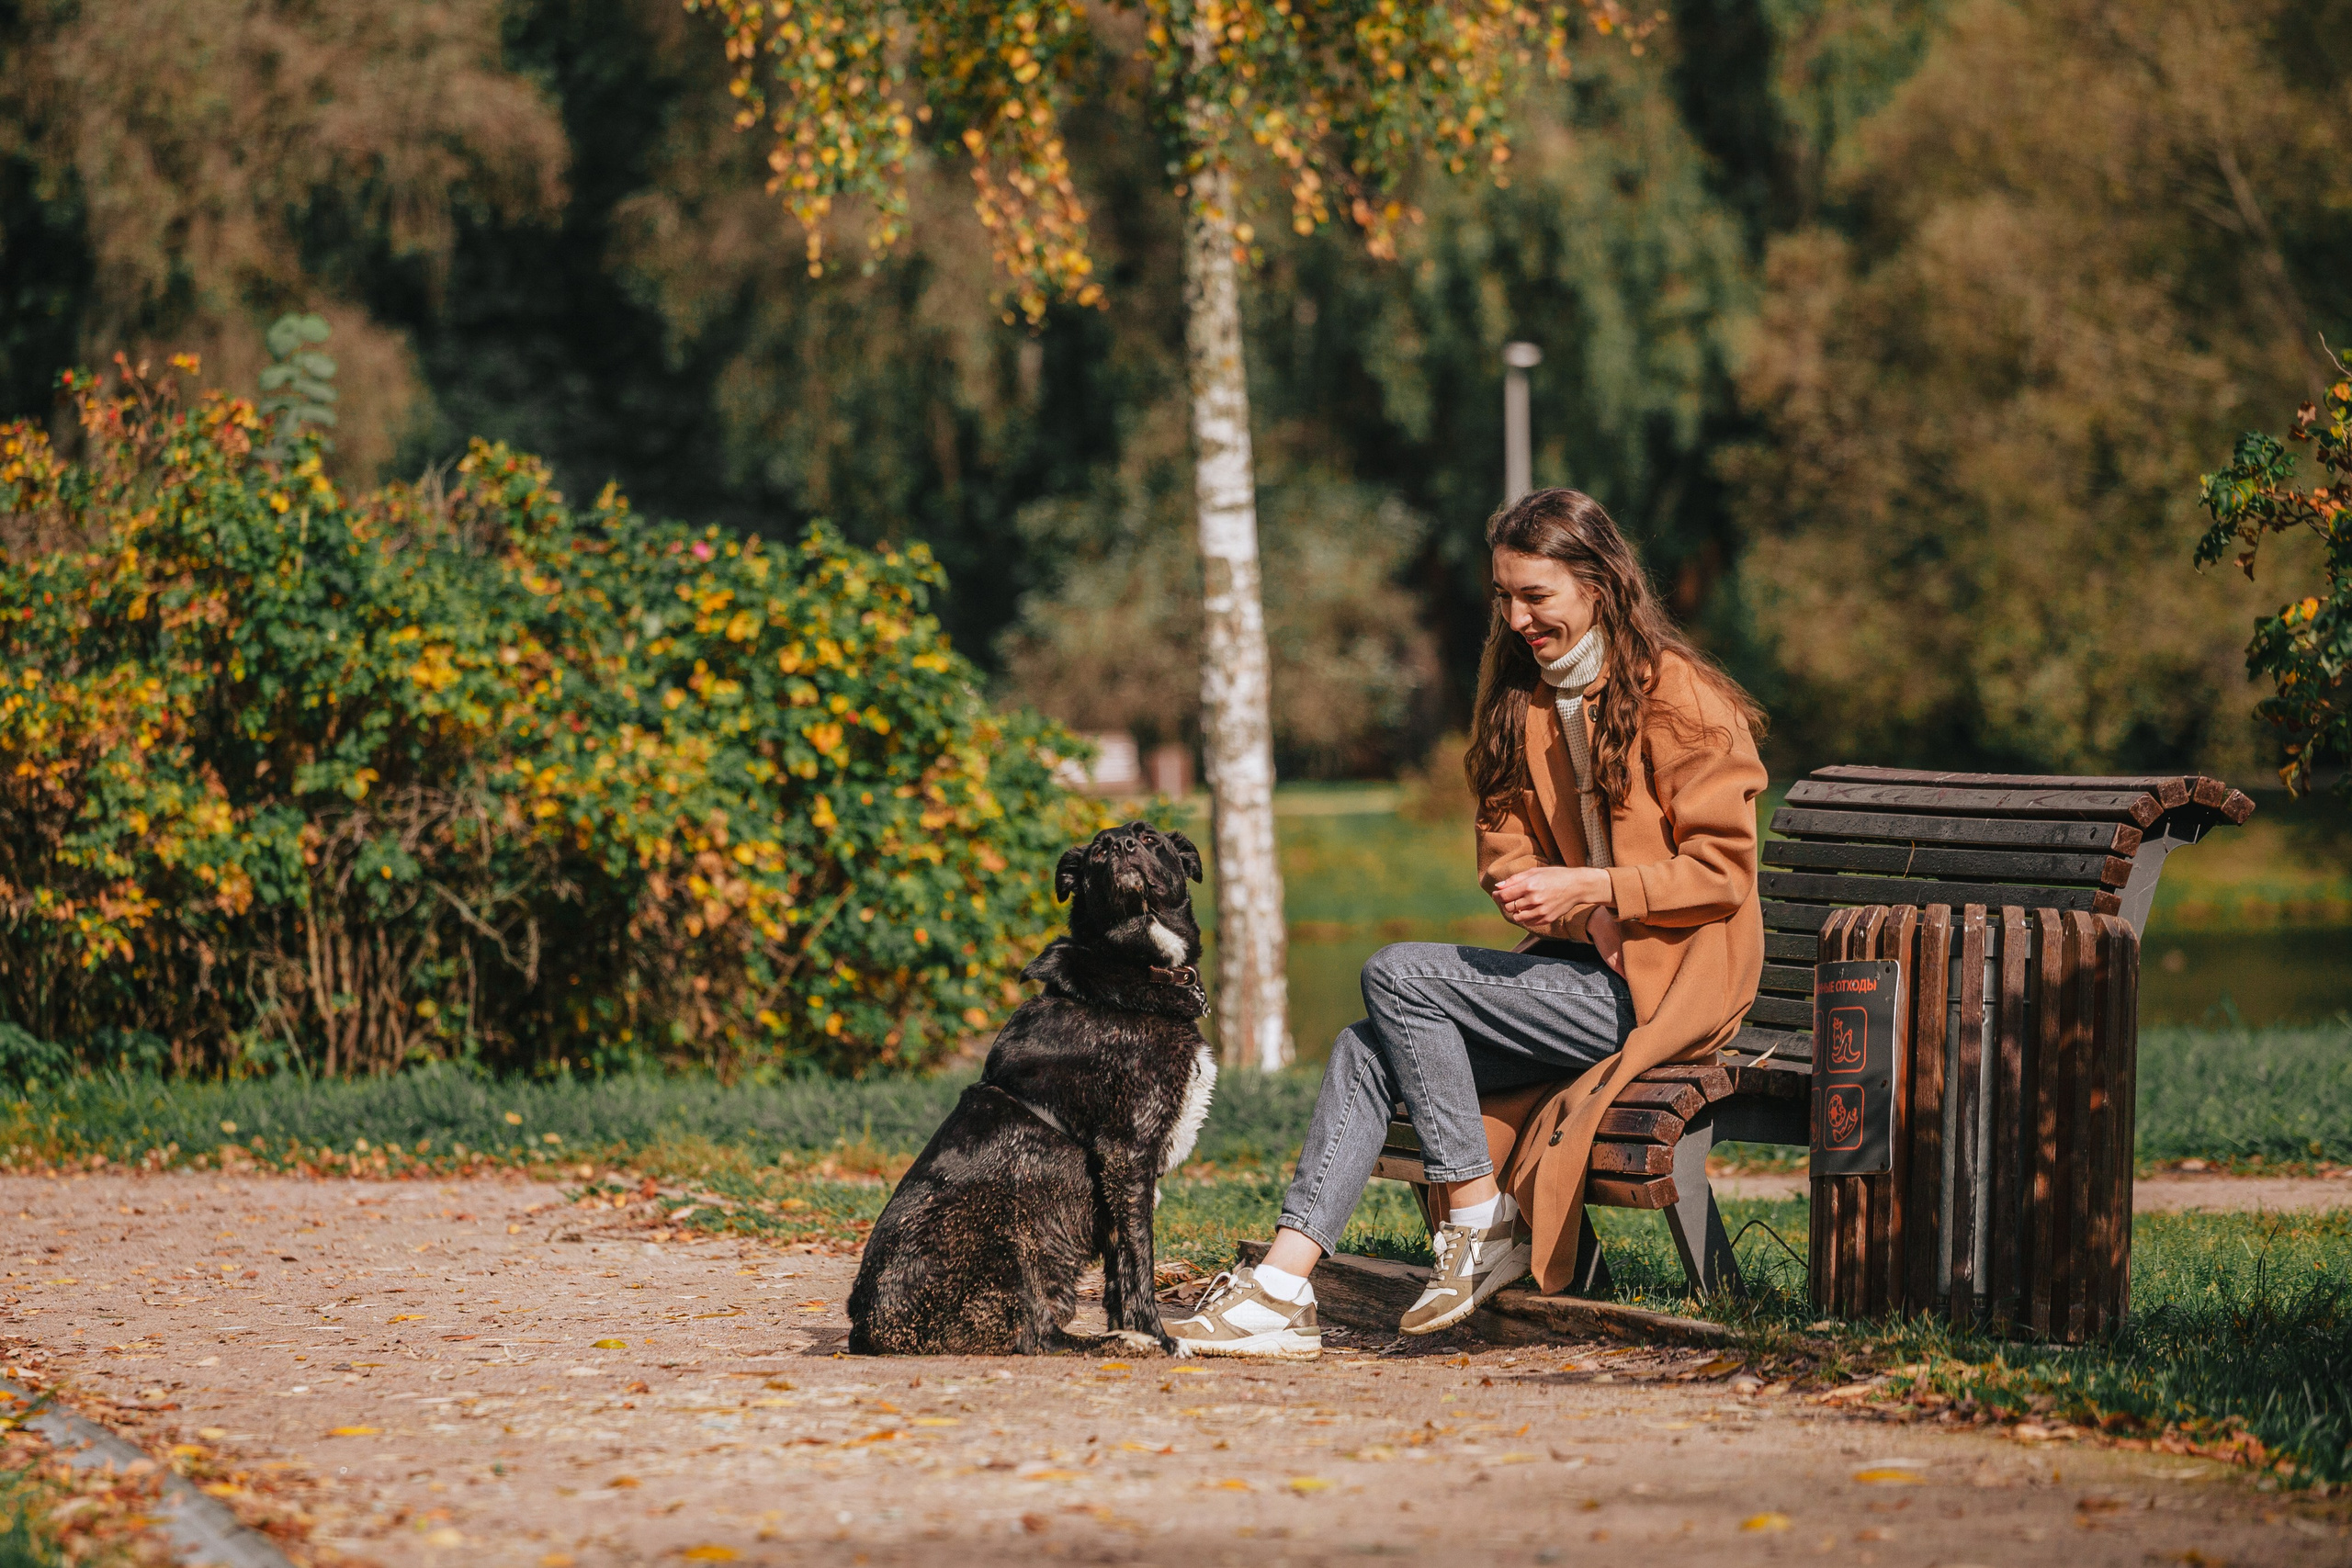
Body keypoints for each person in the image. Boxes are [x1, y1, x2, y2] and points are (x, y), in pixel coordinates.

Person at [1166, 488, 1769, 1358]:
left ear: (1598, 584)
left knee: (1401, 974)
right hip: (1585, 977)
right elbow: (1506, 851)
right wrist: (1564, 901)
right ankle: (1280, 1290)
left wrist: (1600, 889)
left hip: (1670, 987)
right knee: (1365, 1047)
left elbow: (1724, 869)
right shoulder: (1525, 702)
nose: (1518, 617)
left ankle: (1479, 1216)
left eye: (1537, 596)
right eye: (1505, 597)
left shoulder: (1682, 698)